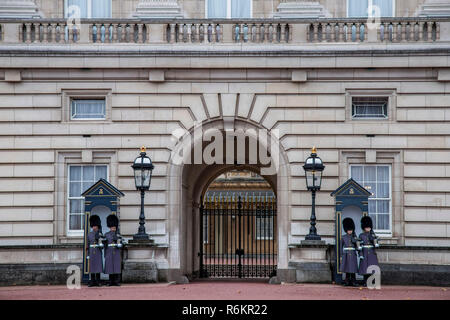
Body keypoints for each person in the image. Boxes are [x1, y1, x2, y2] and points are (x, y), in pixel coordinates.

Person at [358, 215, 380, 286]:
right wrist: (360, 254)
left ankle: (372, 281)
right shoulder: (361, 235)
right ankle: (365, 281)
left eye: (369, 227)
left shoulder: (372, 235)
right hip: (364, 252)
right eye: (367, 227)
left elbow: (375, 243)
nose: (368, 228)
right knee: (365, 268)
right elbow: (360, 246)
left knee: (372, 268)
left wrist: (376, 241)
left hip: (371, 252)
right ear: (364, 227)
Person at [104, 214, 123, 286]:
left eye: (114, 227)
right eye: (112, 227)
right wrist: (105, 254)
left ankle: (117, 281)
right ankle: (110, 281)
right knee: (110, 267)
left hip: (116, 251)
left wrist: (118, 242)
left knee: (116, 266)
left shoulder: (118, 235)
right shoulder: (106, 234)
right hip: (109, 252)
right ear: (110, 227)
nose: (113, 228)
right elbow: (105, 245)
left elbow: (121, 244)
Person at [340, 217, 359, 287]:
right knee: (347, 268)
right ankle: (347, 281)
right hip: (346, 254)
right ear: (346, 230)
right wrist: (341, 255)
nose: (350, 231)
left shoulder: (354, 236)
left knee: (353, 268)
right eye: (348, 230)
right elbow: (341, 247)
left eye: (351, 230)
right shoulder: (343, 237)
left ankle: (354, 281)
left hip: (353, 253)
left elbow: (357, 246)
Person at [86, 214, 104, 287]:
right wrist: (88, 254)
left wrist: (99, 239)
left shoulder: (100, 234)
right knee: (92, 267)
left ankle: (98, 281)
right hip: (91, 252)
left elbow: (102, 245)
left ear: (98, 226)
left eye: (95, 226)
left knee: (98, 267)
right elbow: (87, 245)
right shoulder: (89, 234)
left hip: (98, 251)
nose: (94, 227)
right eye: (93, 226)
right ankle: (92, 281)